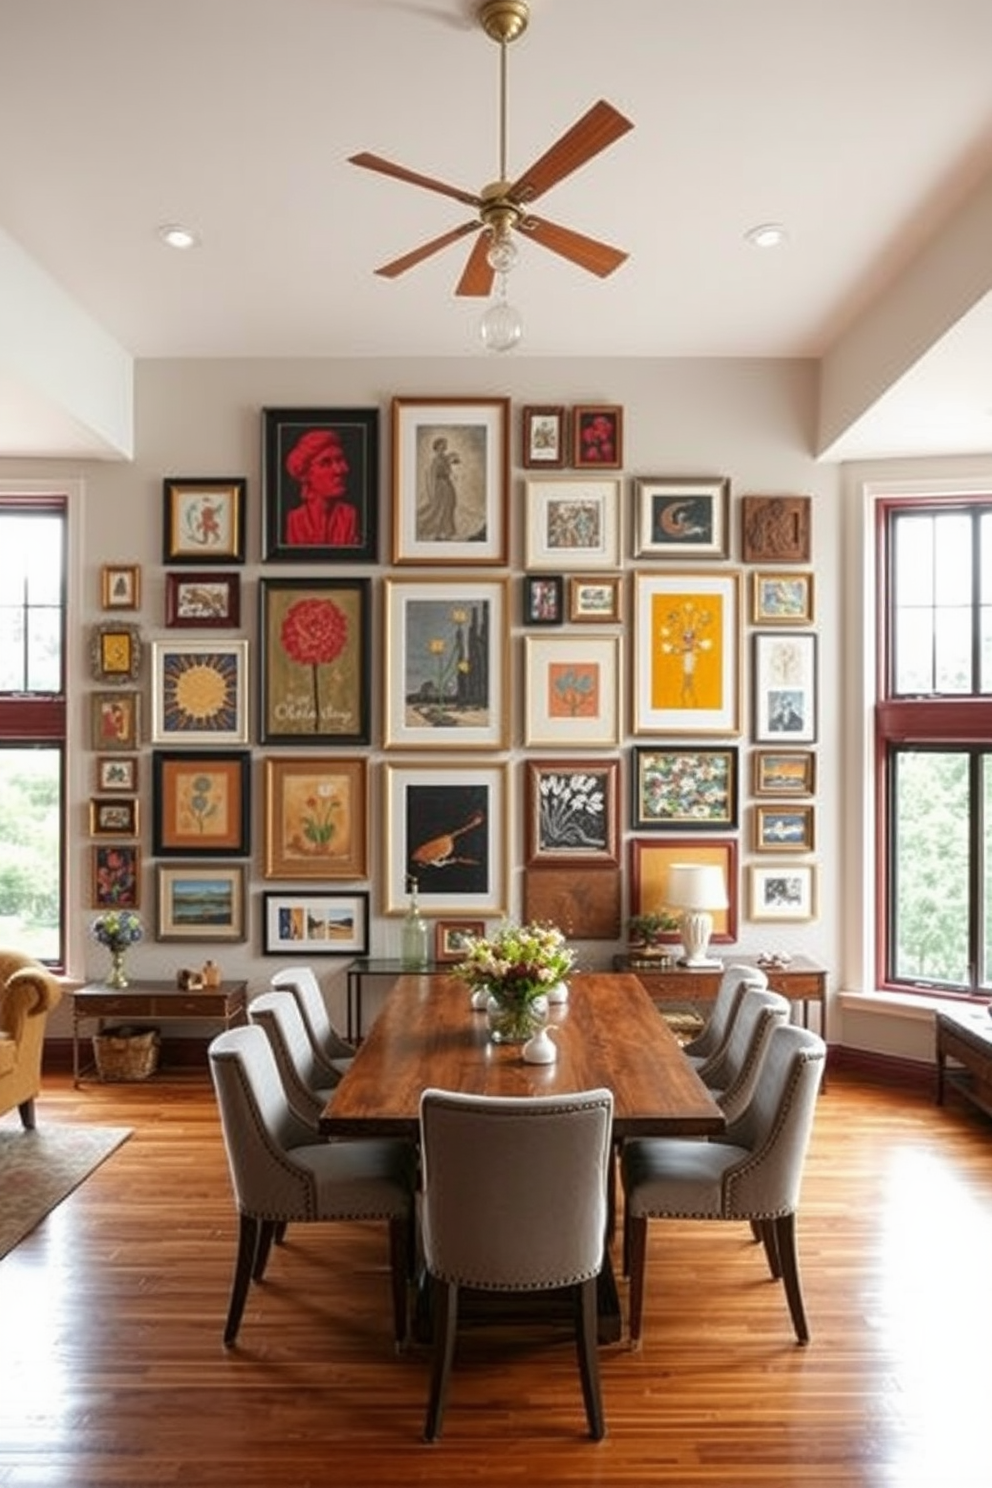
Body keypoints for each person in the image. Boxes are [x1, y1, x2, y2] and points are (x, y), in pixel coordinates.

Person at [284, 428, 360, 547]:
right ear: (305, 474)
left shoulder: (350, 516)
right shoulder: (293, 520)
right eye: (325, 463)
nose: (340, 470)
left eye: (340, 460)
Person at [419, 436, 460, 541]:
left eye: (444, 446)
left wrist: (452, 462)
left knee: (450, 505)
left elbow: (452, 464)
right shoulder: (435, 460)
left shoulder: (445, 458)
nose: (443, 448)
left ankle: (447, 530)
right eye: (441, 446)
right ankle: (439, 531)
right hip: (440, 486)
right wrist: (433, 490)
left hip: (447, 484)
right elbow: (432, 475)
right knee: (440, 508)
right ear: (436, 448)